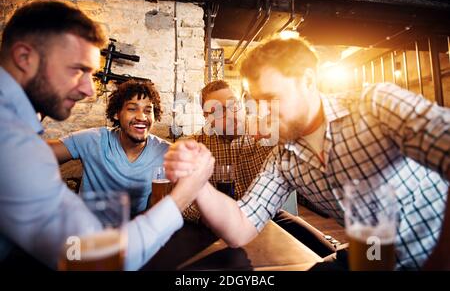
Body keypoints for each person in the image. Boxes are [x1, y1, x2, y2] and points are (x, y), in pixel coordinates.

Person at [164, 37, 450, 270]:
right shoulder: (283, 156)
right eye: (256, 101)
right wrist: (197, 181)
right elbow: (239, 227)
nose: (263, 112)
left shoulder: (375, 106)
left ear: (308, 81)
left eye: (272, 99)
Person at [0, 0, 213, 270]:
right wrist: (185, 193)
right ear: (24, 58)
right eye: (78, 69)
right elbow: (98, 257)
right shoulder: (13, 140)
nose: (89, 90)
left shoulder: (18, 135)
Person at [48, 80, 168, 217]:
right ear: (117, 113)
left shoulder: (165, 151)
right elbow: (35, 154)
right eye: (132, 109)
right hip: (87, 229)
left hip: (134, 231)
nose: (142, 117)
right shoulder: (93, 139)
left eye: (148, 110)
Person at [180, 80, 273, 222]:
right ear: (207, 117)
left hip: (267, 217)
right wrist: (209, 215)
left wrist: (287, 135)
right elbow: (182, 201)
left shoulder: (266, 130)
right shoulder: (196, 146)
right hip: (217, 224)